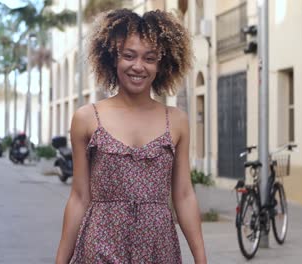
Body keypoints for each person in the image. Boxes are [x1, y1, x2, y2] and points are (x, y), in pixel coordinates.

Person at [56, 8, 206, 264]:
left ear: (162, 64)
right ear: (112, 59)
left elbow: (183, 195)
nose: (138, 66)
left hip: (159, 249)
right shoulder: (87, 118)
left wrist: (201, 259)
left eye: (149, 58)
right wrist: (60, 261)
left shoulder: (177, 121)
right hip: (101, 244)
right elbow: (80, 197)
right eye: (129, 56)